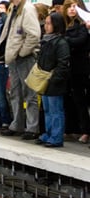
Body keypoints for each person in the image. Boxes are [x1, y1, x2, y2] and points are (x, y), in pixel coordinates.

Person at [0, 0, 42, 140]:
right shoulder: (14, 9)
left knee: (29, 93)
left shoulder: (27, 9)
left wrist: (23, 52)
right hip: (13, 58)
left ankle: (32, 127)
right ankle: (17, 124)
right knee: (15, 92)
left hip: (24, 57)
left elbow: (34, 35)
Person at [35, 12, 70, 148]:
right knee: (48, 110)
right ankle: (48, 133)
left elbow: (63, 63)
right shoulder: (46, 40)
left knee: (56, 110)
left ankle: (56, 136)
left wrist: (55, 78)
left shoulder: (61, 42)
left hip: (54, 81)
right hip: (44, 80)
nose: (46, 27)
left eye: (49, 24)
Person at [62, 0, 90, 143]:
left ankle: (86, 130)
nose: (72, 9)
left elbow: (80, 41)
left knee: (83, 100)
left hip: (82, 66)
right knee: (74, 100)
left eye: (75, 6)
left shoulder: (83, 24)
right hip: (69, 68)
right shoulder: (65, 25)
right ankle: (74, 128)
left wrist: (66, 41)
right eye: (69, 6)